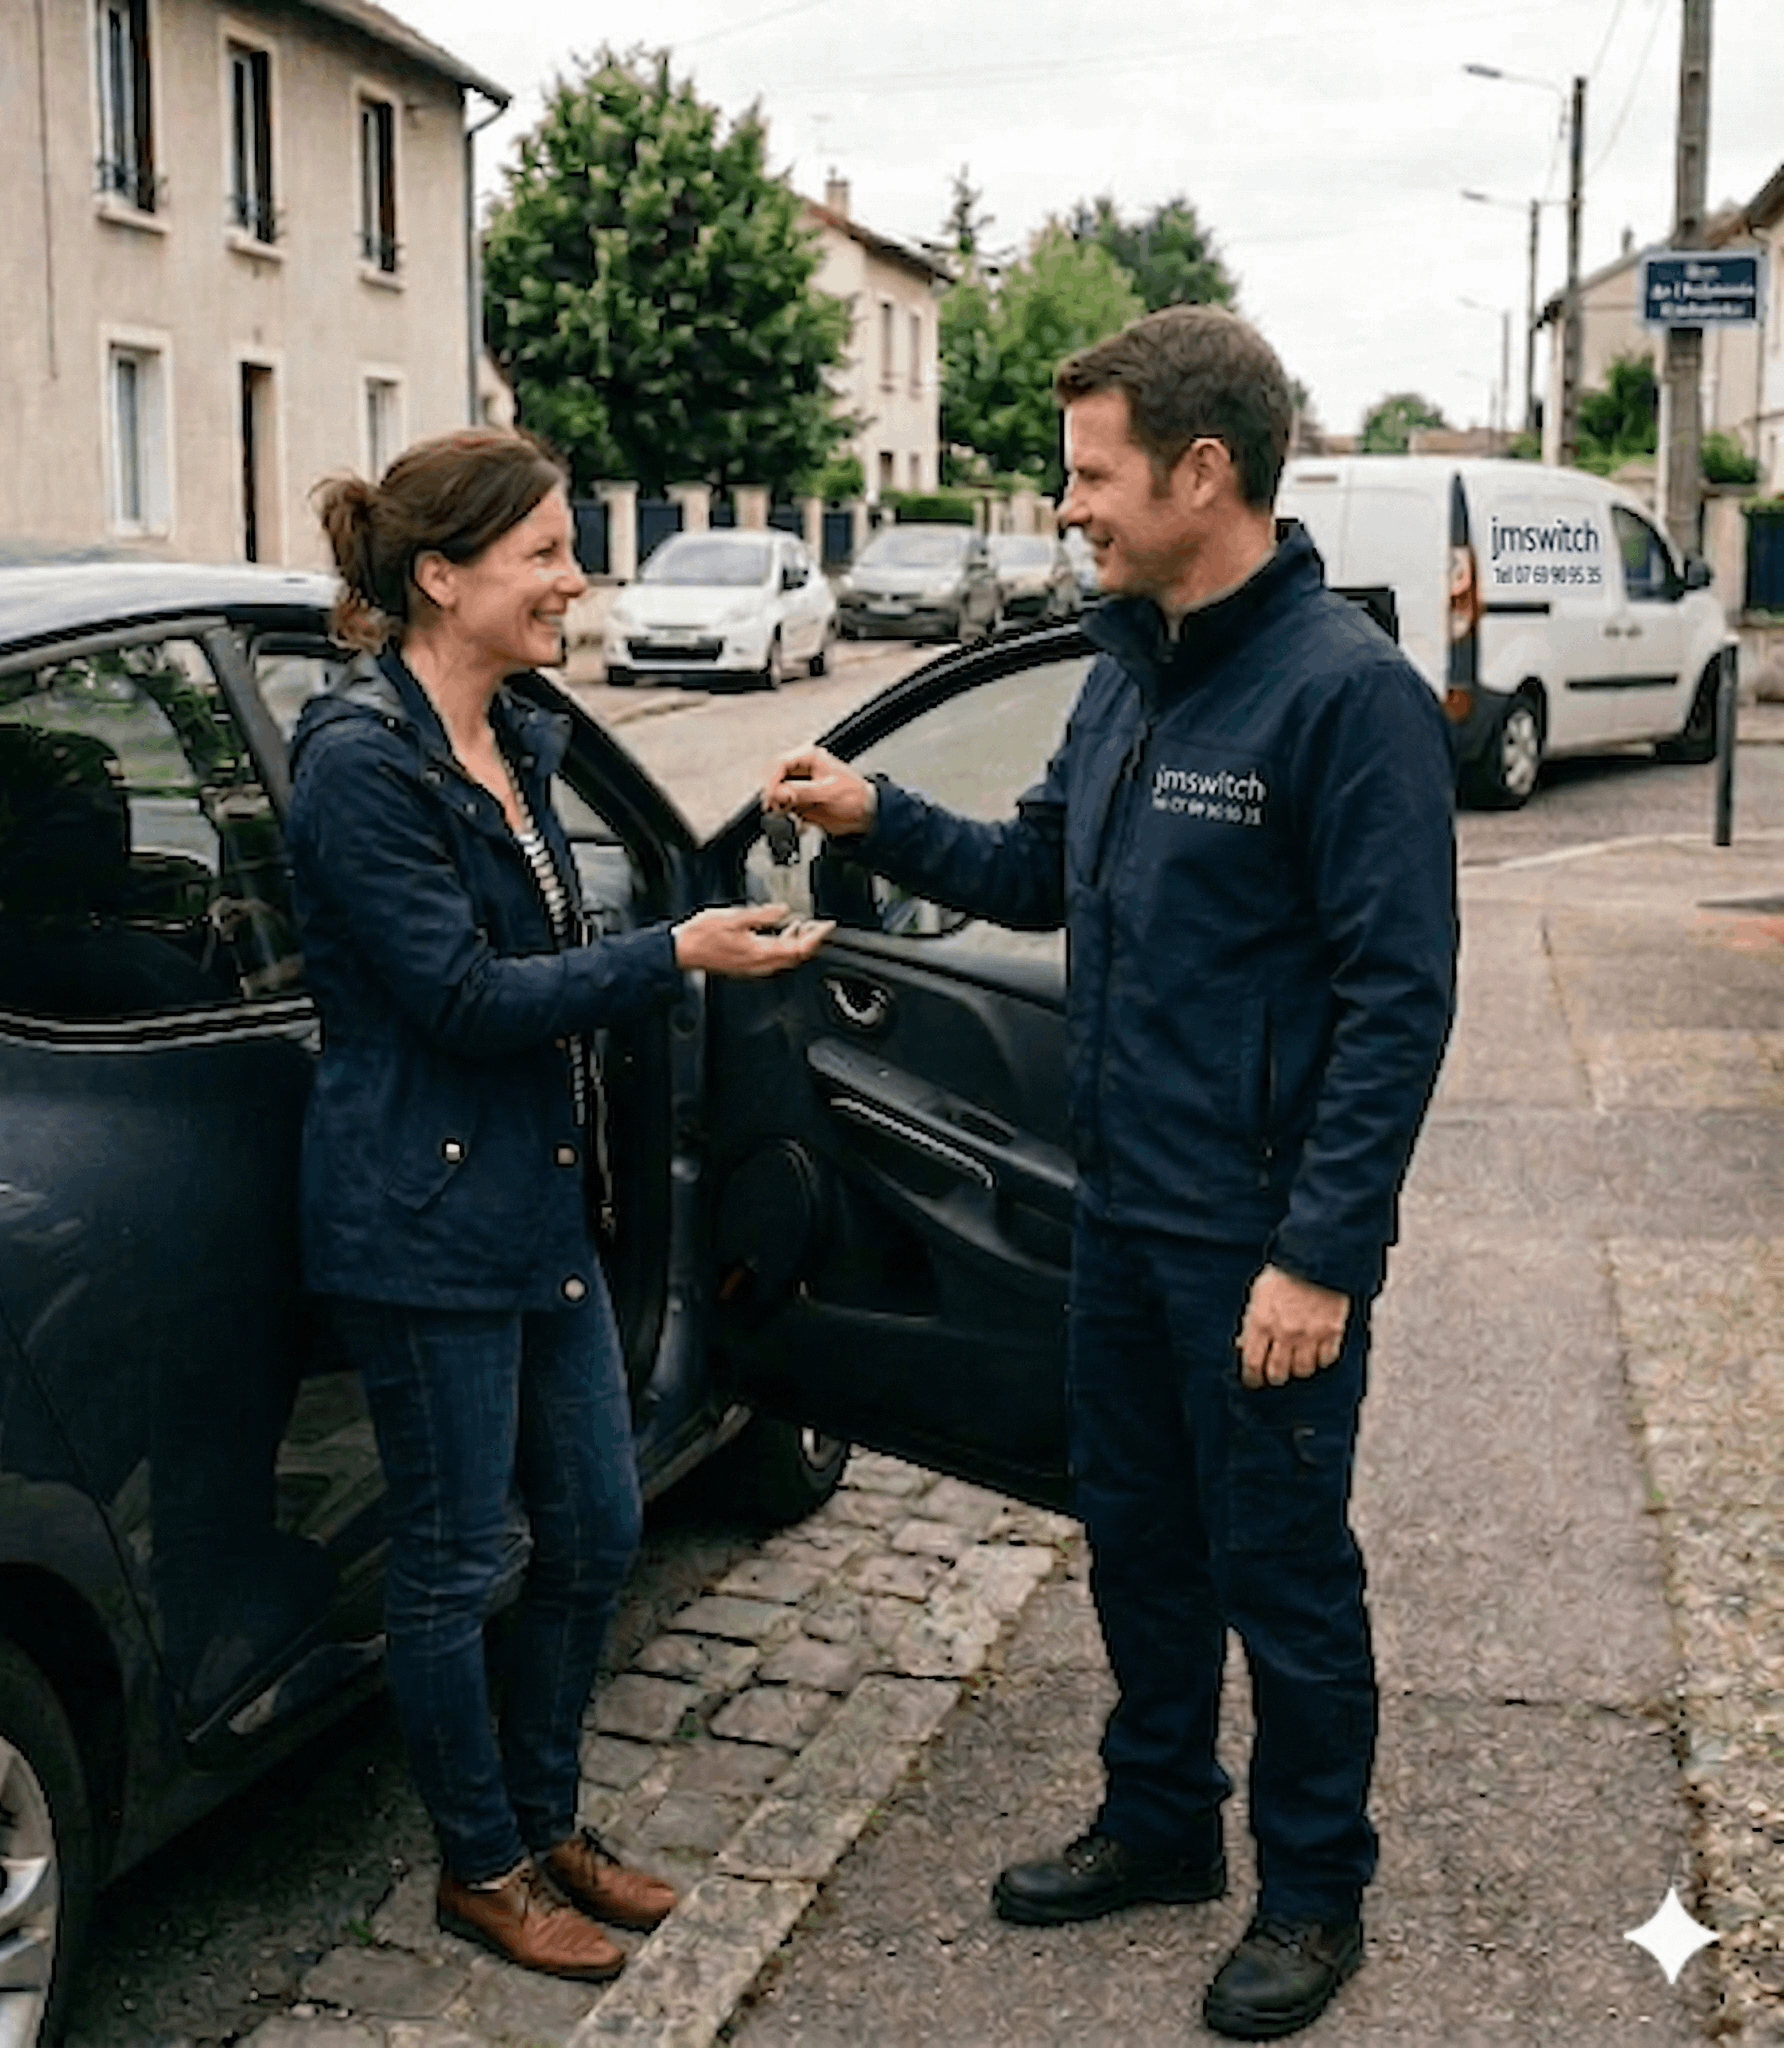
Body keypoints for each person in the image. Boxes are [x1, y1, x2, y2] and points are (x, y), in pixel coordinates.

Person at [762, 307, 1457, 2040]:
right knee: (1138, 1545)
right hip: (1123, 1213)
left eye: (1092, 475)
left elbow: (1398, 1004)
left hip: (1258, 1245)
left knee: (1283, 1573)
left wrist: (1322, 1257)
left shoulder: (1344, 699)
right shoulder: (1128, 669)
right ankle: (1161, 1825)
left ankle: (1313, 1888)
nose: (1067, 508)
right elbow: (1038, 873)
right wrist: (876, 818)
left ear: (1200, 472)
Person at [288, 428, 828, 1983]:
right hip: (419, 1216)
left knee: (593, 1527)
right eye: (543, 554)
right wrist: (673, 956)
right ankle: (485, 1865)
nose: (574, 579)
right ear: (440, 576)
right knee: (458, 1557)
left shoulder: (517, 736)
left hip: (535, 1205)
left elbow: (534, 960)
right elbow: (459, 999)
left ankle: (549, 1819)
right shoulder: (360, 764)